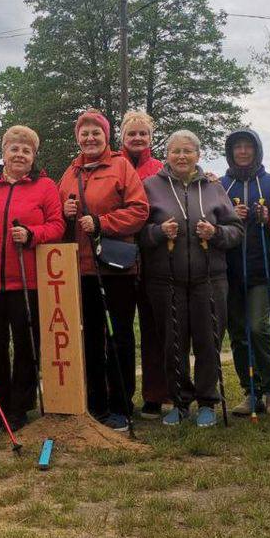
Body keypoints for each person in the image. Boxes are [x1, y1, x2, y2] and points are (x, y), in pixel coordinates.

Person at [0, 126, 65, 431]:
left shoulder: (45, 187)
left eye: (26, 150)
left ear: (33, 157)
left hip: (28, 280)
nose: (19, 154)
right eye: (14, 148)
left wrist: (33, 235)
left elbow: (57, 225)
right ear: (3, 152)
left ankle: (20, 406)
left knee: (26, 345)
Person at [140, 130, 243, 427]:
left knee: (208, 340)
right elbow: (139, 233)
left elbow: (236, 229)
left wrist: (217, 233)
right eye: (175, 151)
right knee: (172, 342)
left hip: (209, 278)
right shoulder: (150, 187)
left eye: (188, 151)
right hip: (165, 279)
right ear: (167, 156)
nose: (181, 157)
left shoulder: (213, 187)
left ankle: (208, 400)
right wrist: (159, 232)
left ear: (198, 155)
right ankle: (179, 401)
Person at [57, 109, 149, 431]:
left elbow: (139, 211)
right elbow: (58, 221)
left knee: (118, 336)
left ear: (106, 136)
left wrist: (102, 223)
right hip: (80, 269)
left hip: (115, 268)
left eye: (96, 132)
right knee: (90, 338)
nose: (90, 138)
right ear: (77, 137)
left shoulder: (121, 166)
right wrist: (65, 212)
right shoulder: (70, 172)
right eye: (84, 133)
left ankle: (122, 404)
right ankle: (96, 403)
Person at [219, 128, 270, 417]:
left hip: (262, 267)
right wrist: (231, 218)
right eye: (237, 147)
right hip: (228, 270)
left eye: (248, 147)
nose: (242, 152)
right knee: (237, 332)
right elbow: (213, 220)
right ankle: (251, 390)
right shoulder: (220, 185)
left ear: (257, 150)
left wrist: (269, 219)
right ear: (230, 152)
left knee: (257, 328)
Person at [117, 110, 167, 419]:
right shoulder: (112, 165)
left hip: (154, 256)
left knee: (153, 328)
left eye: (143, 134)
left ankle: (155, 394)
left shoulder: (161, 168)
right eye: (131, 133)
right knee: (120, 328)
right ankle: (120, 393)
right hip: (118, 254)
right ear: (121, 136)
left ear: (150, 137)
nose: (137, 138)